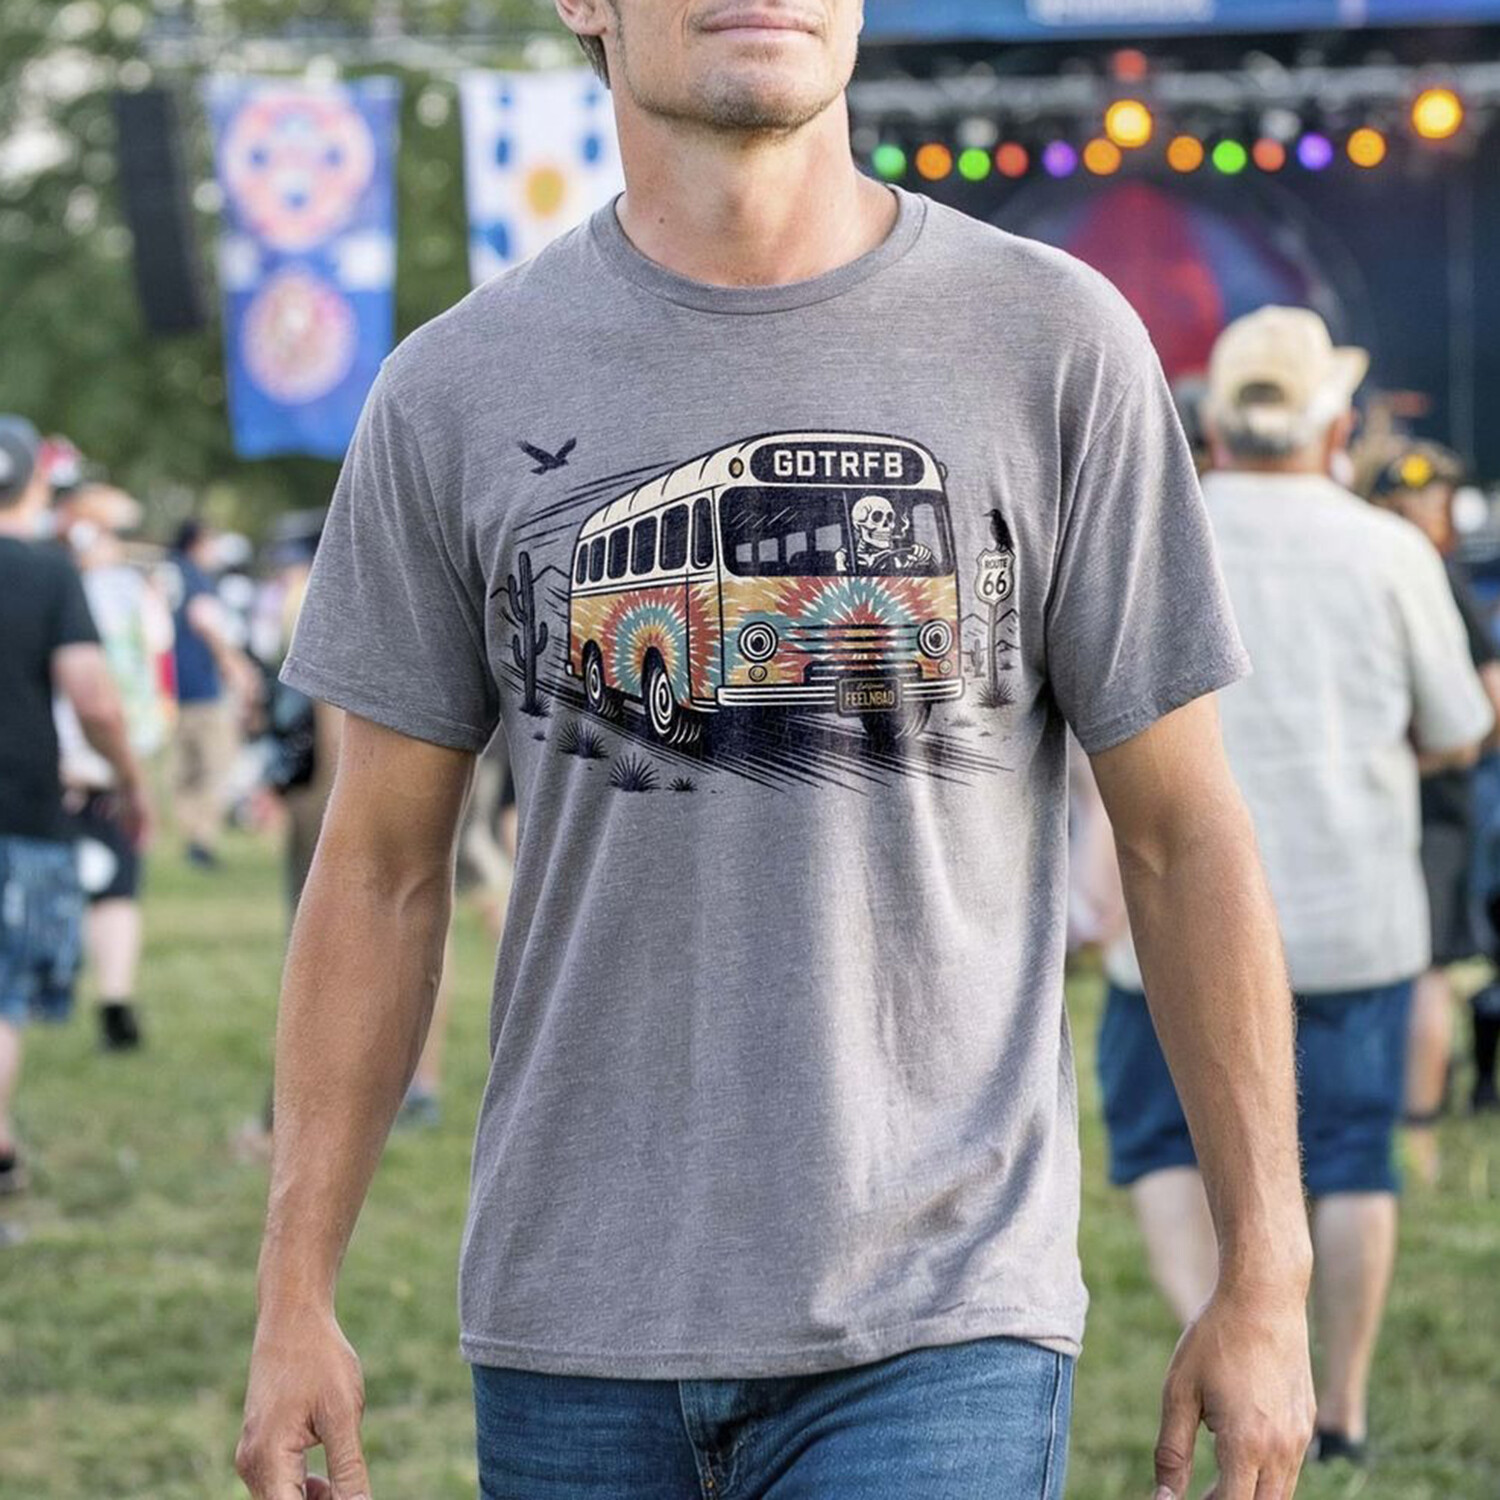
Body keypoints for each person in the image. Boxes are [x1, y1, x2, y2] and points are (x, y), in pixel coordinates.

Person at [235, 7, 1318, 1498]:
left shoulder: (1056, 345)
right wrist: (293, 1294)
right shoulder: (451, 389)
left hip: (940, 1317)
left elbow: (1183, 836)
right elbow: (377, 872)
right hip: (570, 1322)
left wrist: (1267, 1274)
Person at [1096, 310, 1493, 1465]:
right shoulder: (1386, 549)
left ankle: (1225, 1352)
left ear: (1217, 428)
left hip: (1174, 925)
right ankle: (1342, 1412)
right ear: (1333, 426)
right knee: (1356, 1153)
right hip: (1351, 916)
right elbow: (1459, 728)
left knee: (1163, 1142)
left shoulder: (1157, 531)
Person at [0, 417, 149, 1200]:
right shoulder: (48, 574)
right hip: (21, 806)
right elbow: (93, 699)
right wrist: (130, 778)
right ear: (34, 485)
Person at [1364, 444, 1500, 1166]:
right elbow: (1491, 703)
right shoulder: (1434, 576)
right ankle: (1417, 1134)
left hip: (1372, 798)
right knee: (1426, 967)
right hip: (1436, 802)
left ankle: (1401, 1125)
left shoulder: (1363, 568)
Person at [54, 482, 175, 1051]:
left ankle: (73, 992)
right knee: (116, 887)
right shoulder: (130, 592)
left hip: (62, 758)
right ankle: (114, 1000)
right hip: (110, 755)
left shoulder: (60, 582)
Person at [167, 518, 258, 868]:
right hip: (202, 687)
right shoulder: (197, 578)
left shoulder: (167, 573)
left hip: (170, 688)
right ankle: (201, 840)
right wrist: (236, 666)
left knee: (184, 769)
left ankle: (190, 833)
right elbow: (206, 624)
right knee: (214, 765)